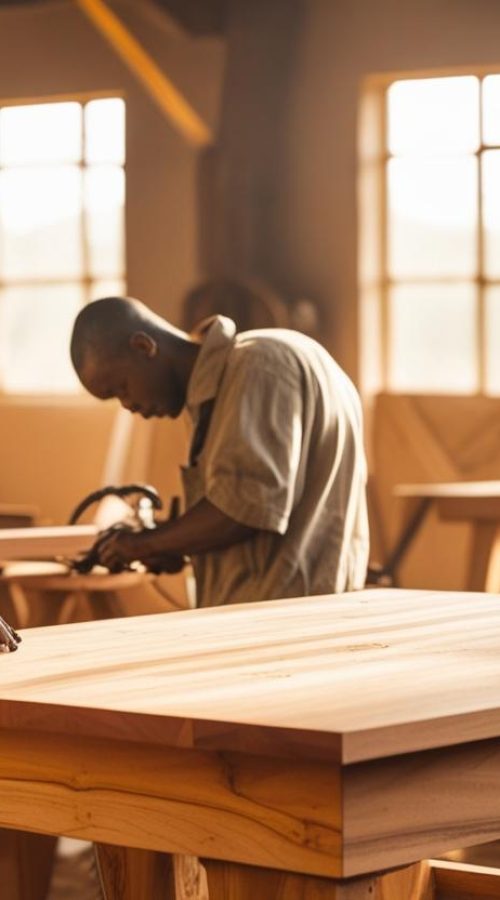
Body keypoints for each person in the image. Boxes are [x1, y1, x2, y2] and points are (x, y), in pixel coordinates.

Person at [69, 295, 369, 606]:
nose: (128, 406)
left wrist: (142, 544)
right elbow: (258, 516)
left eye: (121, 388)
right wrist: (171, 546)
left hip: (282, 615)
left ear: (144, 347)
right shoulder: (230, 382)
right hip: (287, 607)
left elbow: (244, 509)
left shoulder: (258, 366)